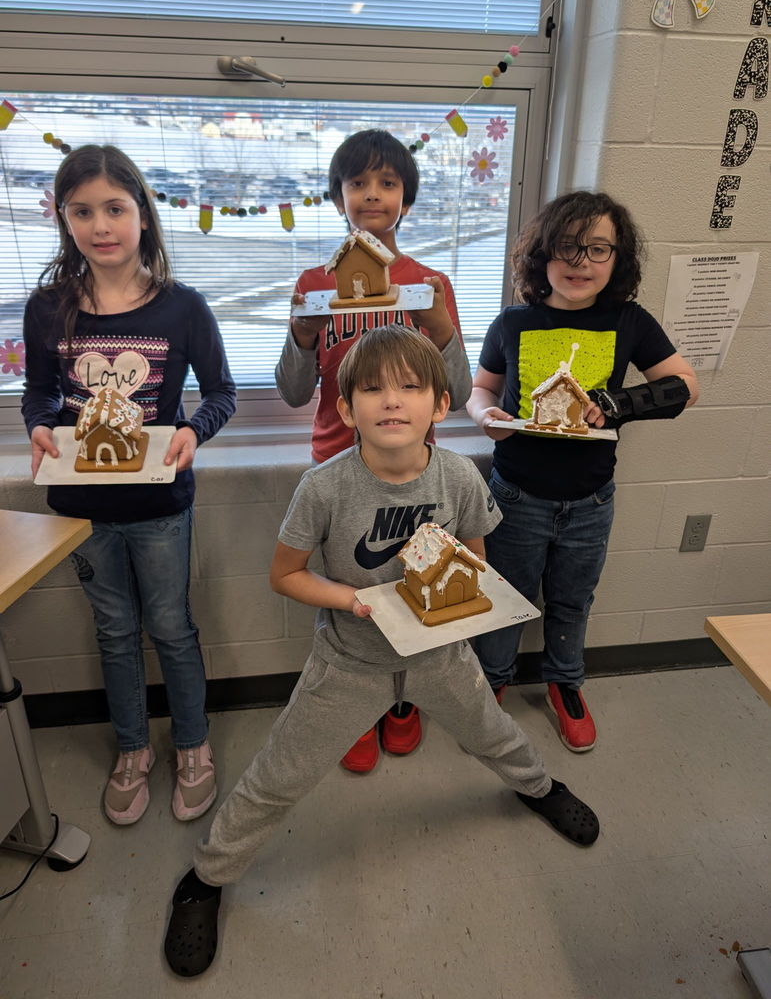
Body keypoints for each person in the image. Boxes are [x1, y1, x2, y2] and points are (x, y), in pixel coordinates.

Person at [163, 324, 599, 978]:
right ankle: (205, 877)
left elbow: (474, 563)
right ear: (346, 409)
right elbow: (285, 575)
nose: (390, 400)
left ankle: (539, 788)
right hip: (349, 660)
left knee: (492, 733)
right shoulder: (324, 487)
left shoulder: (456, 477)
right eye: (371, 389)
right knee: (280, 775)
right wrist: (349, 600)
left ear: (439, 404)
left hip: (439, 657)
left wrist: (462, 603)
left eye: (409, 386)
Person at [21, 144, 237, 826]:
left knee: (171, 627)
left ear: (142, 213)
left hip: (159, 505)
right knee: (114, 630)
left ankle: (193, 744)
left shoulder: (182, 308)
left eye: (115, 208)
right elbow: (38, 395)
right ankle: (132, 747)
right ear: (64, 219)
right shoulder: (48, 309)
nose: (100, 225)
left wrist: (192, 433)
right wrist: (39, 429)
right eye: (82, 211)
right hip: (82, 508)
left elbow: (221, 394)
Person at [466, 190, 699, 753]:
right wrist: (486, 418)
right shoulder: (513, 321)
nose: (581, 262)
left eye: (599, 249)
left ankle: (564, 684)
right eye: (568, 247)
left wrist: (619, 403)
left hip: (591, 501)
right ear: (542, 255)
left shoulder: (630, 321)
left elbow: (685, 387)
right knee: (505, 597)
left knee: (573, 600)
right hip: (515, 495)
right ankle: (488, 689)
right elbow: (480, 390)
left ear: (617, 260)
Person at [275, 129, 473, 773]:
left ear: (406, 200)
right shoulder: (315, 282)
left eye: (387, 184)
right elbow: (292, 390)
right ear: (339, 197)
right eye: (358, 183)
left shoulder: (427, 285)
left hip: (416, 473)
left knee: (415, 582)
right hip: (338, 473)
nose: (372, 195)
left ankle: (403, 701)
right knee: (349, 596)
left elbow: (462, 391)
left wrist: (442, 330)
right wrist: (301, 337)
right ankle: (356, 707)